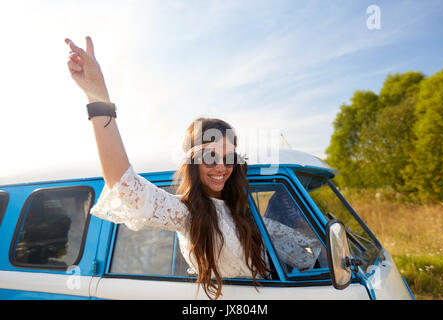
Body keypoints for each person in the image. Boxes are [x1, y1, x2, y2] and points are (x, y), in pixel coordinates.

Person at [64, 36, 320, 300]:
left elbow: (307, 253)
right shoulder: (187, 213)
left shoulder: (247, 214)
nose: (221, 167)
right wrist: (97, 96)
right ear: (192, 163)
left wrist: (313, 231)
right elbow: (125, 185)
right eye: (209, 157)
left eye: (228, 157)